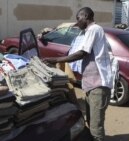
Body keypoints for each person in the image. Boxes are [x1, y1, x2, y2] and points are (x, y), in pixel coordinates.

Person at [43, 7, 113, 141]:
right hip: (91, 85)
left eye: (78, 19)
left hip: (99, 85)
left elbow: (82, 53)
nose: (77, 22)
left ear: (85, 16)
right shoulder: (88, 32)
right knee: (91, 121)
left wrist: (55, 60)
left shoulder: (94, 29)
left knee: (96, 126)